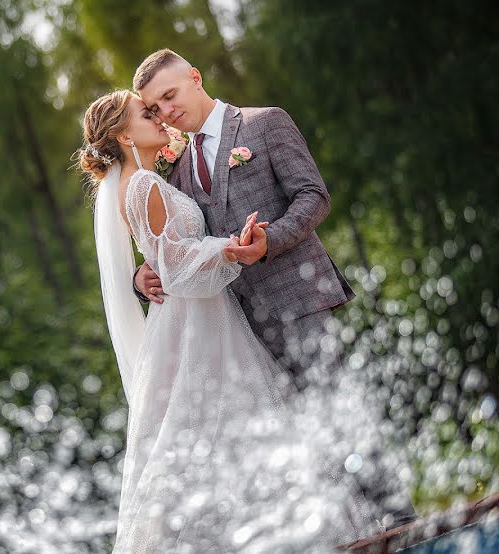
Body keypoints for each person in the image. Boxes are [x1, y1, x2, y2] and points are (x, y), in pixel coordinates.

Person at [78, 89, 378, 553]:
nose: (160, 118)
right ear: (121, 134)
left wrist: (149, 269)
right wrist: (231, 247)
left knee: (211, 440)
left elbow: (160, 255)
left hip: (204, 320)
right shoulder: (143, 184)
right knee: (228, 431)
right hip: (198, 323)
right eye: (146, 113)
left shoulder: (148, 177)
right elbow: (176, 268)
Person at [131, 48, 417, 530]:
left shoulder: (264, 124)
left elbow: (313, 196)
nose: (166, 111)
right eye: (155, 108)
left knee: (339, 415)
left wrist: (270, 241)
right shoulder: (177, 172)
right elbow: (175, 246)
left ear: (195, 78)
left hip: (297, 301)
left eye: (170, 95)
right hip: (237, 331)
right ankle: (358, 533)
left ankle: (402, 525)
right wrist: (140, 278)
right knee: (301, 440)